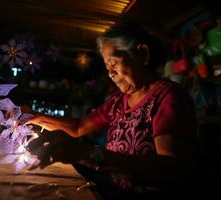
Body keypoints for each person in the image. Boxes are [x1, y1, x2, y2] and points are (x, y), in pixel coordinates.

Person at [26, 22, 200, 199]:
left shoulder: (168, 98)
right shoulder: (118, 102)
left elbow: (171, 169)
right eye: (107, 66)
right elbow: (78, 128)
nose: (110, 73)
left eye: (114, 62)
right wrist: (35, 117)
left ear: (143, 54)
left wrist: (87, 153)